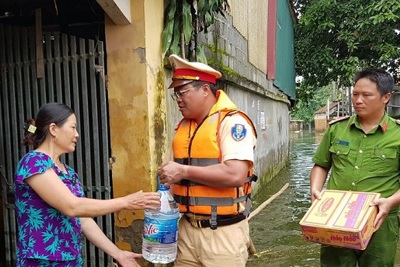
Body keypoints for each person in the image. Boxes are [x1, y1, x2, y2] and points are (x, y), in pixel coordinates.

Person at [14, 102, 161, 267]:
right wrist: (126, 202)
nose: (77, 134)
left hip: (71, 260)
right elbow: (72, 206)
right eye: (73, 127)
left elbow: (82, 218)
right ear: (54, 129)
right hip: (42, 261)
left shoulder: (68, 172)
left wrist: (117, 253)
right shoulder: (33, 162)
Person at [157, 54, 257, 267]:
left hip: (222, 234)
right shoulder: (184, 127)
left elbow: (236, 174)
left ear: (204, 90)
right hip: (186, 229)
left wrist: (183, 172)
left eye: (182, 92)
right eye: (175, 94)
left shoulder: (232, 123)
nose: (178, 99)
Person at [310, 68, 400, 267]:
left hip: (379, 220)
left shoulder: (398, 134)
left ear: (386, 97)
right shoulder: (337, 129)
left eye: (366, 95)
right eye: (355, 94)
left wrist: (391, 201)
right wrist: (315, 189)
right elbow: (321, 165)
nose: (358, 100)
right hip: (336, 217)